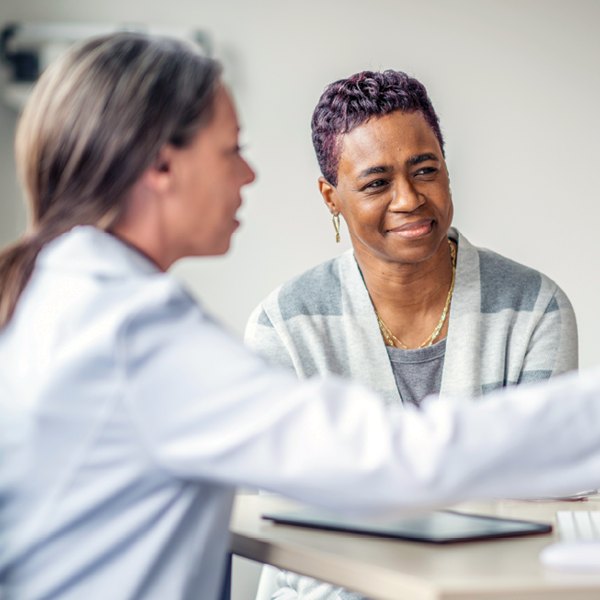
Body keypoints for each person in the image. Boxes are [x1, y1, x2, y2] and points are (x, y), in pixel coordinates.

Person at [0, 32, 600, 600]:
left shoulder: (64, 295)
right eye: (232, 150)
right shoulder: (132, 328)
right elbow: (393, 459)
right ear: (162, 167)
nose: (249, 175)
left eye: (424, 168)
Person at [245, 69, 578, 600]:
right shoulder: (285, 327)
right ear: (331, 197)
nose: (409, 199)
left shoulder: (534, 309)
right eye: (376, 183)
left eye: (425, 170)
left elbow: (540, 507)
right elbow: (294, 526)